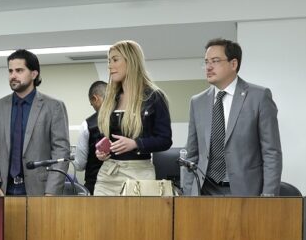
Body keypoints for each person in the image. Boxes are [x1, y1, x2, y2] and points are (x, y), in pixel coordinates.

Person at [183, 38, 282, 196]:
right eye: (206, 62)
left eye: (215, 61)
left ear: (233, 64)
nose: (208, 67)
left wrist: (268, 196)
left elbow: (271, 153)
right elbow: (192, 154)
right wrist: (188, 194)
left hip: (245, 192)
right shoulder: (197, 102)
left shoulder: (259, 97)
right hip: (204, 192)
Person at [0, 49, 70, 196]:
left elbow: (61, 152)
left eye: (19, 70)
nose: (13, 75)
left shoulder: (53, 106)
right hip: (3, 190)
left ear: (34, 74)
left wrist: (51, 192)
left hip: (41, 191)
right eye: (10, 71)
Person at [92, 40, 172, 196]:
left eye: (115, 60)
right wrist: (100, 151)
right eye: (109, 61)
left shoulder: (154, 97)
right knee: (100, 212)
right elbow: (102, 137)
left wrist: (136, 144)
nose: (110, 66)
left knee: (135, 213)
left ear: (131, 61)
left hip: (139, 175)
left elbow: (165, 140)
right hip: (108, 174)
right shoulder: (110, 99)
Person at [72, 80, 106, 194]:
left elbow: (80, 165)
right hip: (125, 186)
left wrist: (68, 157)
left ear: (95, 98)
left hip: (96, 186)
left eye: (92, 104)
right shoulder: (125, 119)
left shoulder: (87, 125)